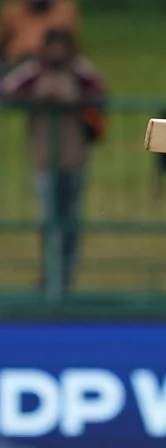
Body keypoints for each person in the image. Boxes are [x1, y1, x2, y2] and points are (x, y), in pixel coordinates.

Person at [0, 28, 105, 292]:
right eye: (53, 46)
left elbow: (100, 92)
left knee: (71, 220)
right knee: (50, 221)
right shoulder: (34, 71)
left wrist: (74, 101)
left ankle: (65, 278)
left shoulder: (80, 70)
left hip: (75, 158)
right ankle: (50, 276)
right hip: (45, 159)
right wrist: (39, 98)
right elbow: (8, 89)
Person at [0, 0, 79, 75]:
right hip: (16, 64)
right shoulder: (13, 11)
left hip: (51, 64)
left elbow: (69, 43)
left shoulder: (63, 10)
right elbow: (3, 43)